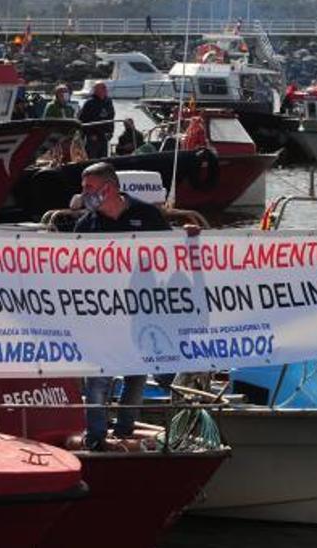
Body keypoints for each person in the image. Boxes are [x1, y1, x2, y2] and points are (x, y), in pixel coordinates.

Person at [74, 163, 198, 451]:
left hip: (142, 310)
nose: (84, 194)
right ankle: (96, 436)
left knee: (137, 372)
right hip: (101, 314)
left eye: (89, 188)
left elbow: (172, 253)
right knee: (97, 379)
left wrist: (190, 239)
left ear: (110, 187)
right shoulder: (85, 225)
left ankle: (125, 429)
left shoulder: (148, 215)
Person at [77, 81, 116, 159]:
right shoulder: (89, 103)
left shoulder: (108, 102)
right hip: (93, 137)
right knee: (92, 158)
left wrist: (111, 132)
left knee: (103, 158)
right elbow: (83, 119)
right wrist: (90, 134)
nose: (105, 90)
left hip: (104, 136)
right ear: (96, 90)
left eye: (105, 88)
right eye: (103, 88)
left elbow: (111, 117)